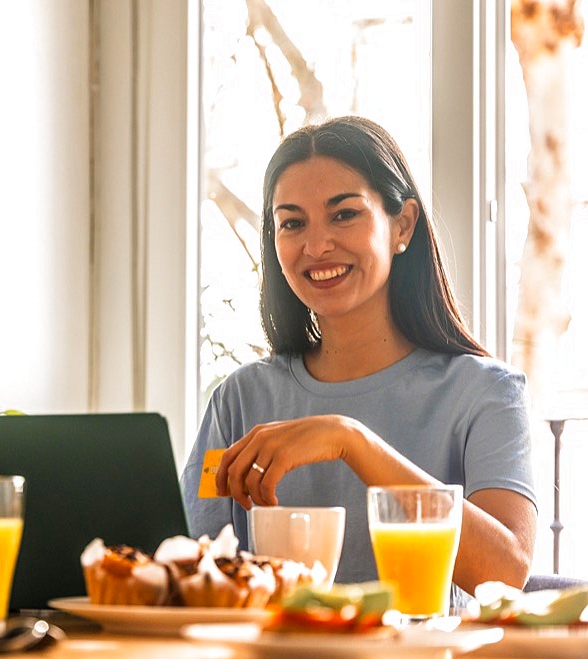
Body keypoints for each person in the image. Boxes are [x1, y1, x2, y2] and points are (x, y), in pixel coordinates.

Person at [181, 116, 536, 605]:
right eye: (292, 223)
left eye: (344, 214)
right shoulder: (238, 401)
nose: (317, 245)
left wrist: (349, 440)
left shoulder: (485, 392)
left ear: (402, 225)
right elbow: (188, 566)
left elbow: (506, 573)